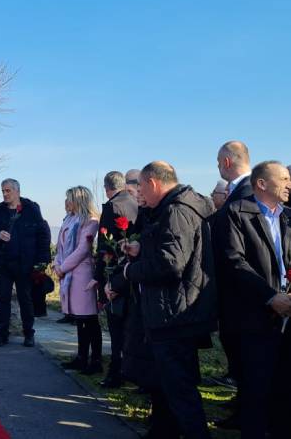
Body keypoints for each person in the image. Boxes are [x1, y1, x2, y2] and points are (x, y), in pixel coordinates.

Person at [122, 161, 215, 439]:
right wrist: (142, 248)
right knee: (166, 386)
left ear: (152, 183)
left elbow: (171, 264)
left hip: (174, 313)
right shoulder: (175, 208)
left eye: (141, 188)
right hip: (174, 310)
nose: (140, 196)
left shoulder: (176, 211)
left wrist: (130, 270)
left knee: (180, 390)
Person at [224, 160, 291, 439]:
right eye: (284, 179)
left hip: (286, 314)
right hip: (254, 317)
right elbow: (234, 262)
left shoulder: (287, 216)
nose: (289, 184)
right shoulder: (237, 213)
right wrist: (269, 297)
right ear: (262, 183)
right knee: (256, 389)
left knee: (284, 389)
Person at [211, 140, 253, 429]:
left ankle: (246, 413)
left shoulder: (247, 191)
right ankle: (241, 406)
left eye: (217, 162)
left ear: (226, 162)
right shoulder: (243, 190)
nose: (217, 167)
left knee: (246, 357)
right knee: (239, 356)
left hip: (243, 291)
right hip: (236, 290)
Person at [0, 179, 50, 348]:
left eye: (8, 190)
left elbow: (43, 234)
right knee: (3, 299)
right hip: (4, 264)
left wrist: (42, 261)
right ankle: (2, 334)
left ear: (17, 191)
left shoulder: (31, 209)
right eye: (3, 191)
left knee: (25, 299)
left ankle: (29, 334)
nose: (5, 194)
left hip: (26, 264)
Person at [94, 171, 138, 388]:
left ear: (106, 187)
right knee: (131, 328)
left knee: (116, 328)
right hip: (133, 272)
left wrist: (100, 278)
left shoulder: (112, 207)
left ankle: (116, 373)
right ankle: (131, 371)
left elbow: (105, 246)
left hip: (115, 273)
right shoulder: (135, 202)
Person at [54, 186, 101, 374]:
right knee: (80, 321)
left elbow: (82, 250)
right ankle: (81, 357)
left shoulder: (90, 221)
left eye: (69, 199)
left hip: (82, 275)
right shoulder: (68, 219)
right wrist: (57, 264)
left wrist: (63, 267)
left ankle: (95, 360)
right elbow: (60, 247)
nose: (66, 203)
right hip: (69, 275)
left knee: (89, 319)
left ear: (78, 201)